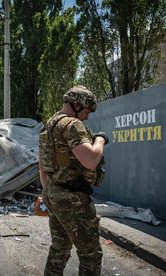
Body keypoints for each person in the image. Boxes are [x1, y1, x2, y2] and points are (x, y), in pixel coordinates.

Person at [38, 85, 109, 275]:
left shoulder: (49, 125)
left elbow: (42, 165)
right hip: (73, 199)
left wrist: (49, 191)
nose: (86, 116)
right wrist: (101, 140)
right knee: (90, 254)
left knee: (59, 248)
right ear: (77, 105)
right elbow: (90, 160)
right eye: (86, 111)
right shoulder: (72, 125)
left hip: (53, 193)